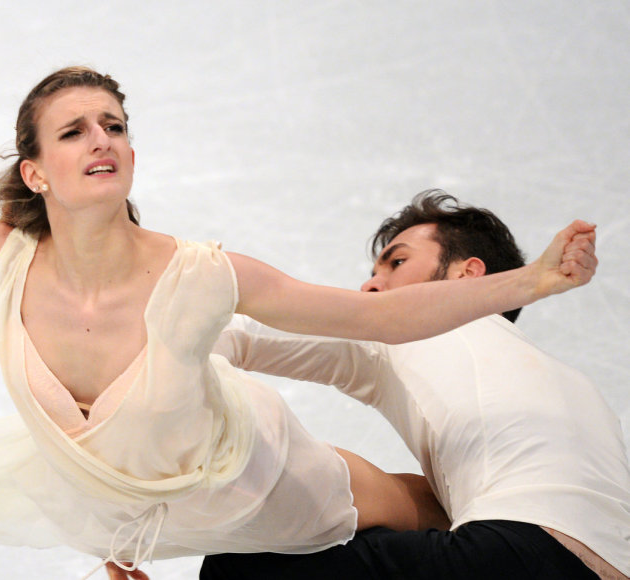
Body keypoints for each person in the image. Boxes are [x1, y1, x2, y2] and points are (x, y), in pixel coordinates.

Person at [0, 68, 596, 579]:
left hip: (249, 475)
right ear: (36, 173)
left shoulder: (202, 275)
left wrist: (538, 279)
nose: (101, 138)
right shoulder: (6, 258)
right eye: (74, 131)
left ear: (130, 153)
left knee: (392, 504)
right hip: (131, 485)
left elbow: (383, 323)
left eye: (115, 124)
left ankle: (482, 519)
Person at [201, 190, 630, 579]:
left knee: (238, 565)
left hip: (510, 551)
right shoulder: (573, 382)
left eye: (397, 262)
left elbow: (227, 333)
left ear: (469, 273)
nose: (370, 285)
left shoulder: (399, 329)